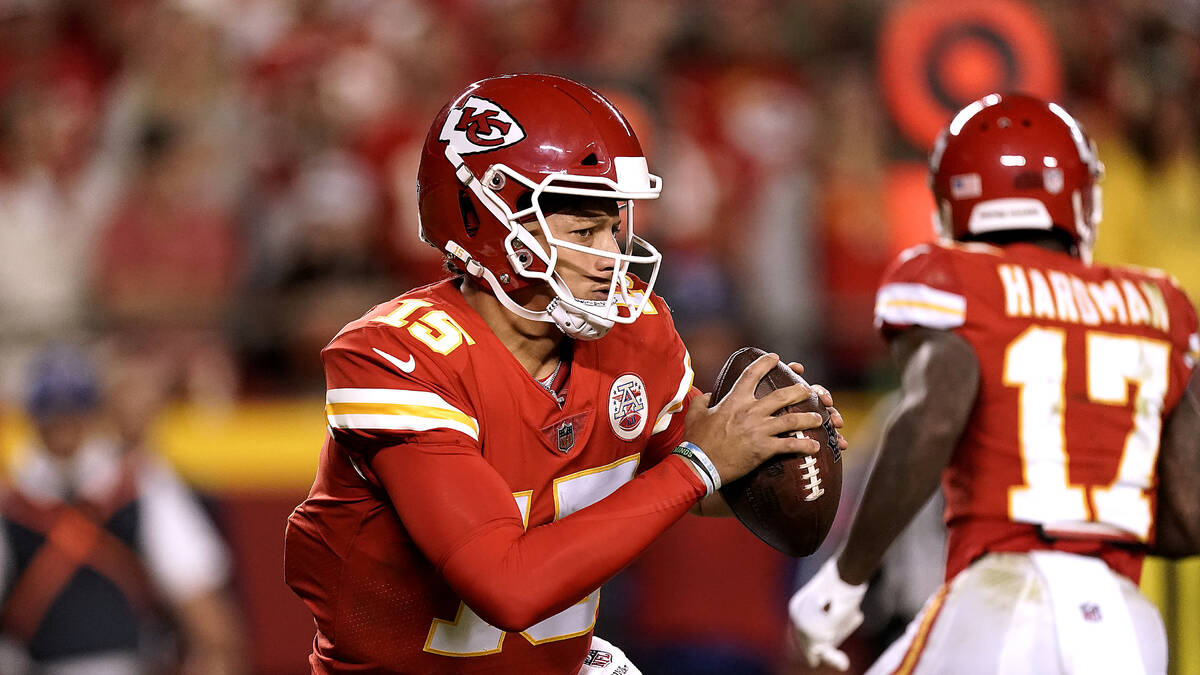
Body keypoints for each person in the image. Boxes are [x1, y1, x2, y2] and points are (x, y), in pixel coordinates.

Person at [282, 72, 844, 674]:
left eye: (615, 226)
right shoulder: (396, 357)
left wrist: (765, 447)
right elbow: (507, 586)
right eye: (584, 231)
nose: (613, 258)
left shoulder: (636, 332)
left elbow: (680, 483)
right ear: (486, 219)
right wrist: (701, 464)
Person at [789, 93, 1200, 674]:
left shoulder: (952, 279)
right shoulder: (1162, 304)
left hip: (1006, 595)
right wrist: (1097, 507)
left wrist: (845, 577)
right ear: (1080, 197)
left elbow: (934, 415)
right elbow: (1190, 512)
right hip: (1128, 623)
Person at [0, 345, 244, 675]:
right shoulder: (11, 501)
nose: (63, 426)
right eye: (53, 415)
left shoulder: (137, 486)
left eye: (72, 413)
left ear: (93, 413)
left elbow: (209, 622)